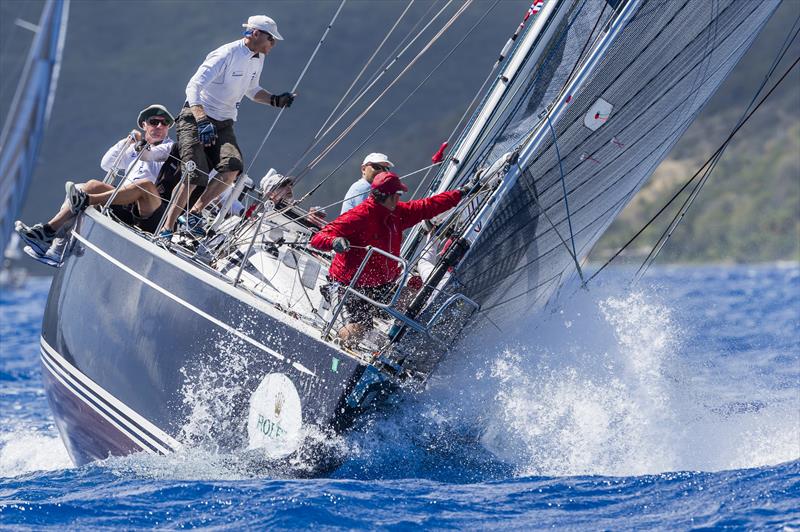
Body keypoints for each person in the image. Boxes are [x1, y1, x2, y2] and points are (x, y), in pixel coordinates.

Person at [161, 14, 295, 238]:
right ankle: (167, 228)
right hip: (196, 117)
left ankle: (195, 213)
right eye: (271, 39)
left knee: (232, 167)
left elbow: (252, 90)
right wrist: (201, 118)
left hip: (224, 122)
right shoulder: (226, 54)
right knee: (194, 173)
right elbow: (193, 86)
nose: (273, 44)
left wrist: (275, 100)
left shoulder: (258, 58)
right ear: (256, 34)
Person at [310, 171, 469, 347]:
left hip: (380, 286)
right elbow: (317, 238)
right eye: (399, 194)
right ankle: (339, 351)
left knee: (415, 300)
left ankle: (396, 343)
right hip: (348, 287)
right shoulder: (358, 216)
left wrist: (461, 193)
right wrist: (333, 242)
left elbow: (427, 206)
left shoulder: (398, 213)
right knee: (355, 332)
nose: (400, 198)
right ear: (392, 196)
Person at [15, 104, 175, 266]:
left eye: (165, 123)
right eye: (154, 122)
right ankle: (50, 236)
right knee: (86, 186)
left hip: (151, 208)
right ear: (144, 125)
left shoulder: (169, 147)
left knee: (144, 185)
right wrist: (126, 142)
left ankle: (84, 202)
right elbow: (107, 164)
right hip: (126, 202)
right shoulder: (135, 148)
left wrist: (140, 144)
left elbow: (148, 155)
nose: (159, 126)